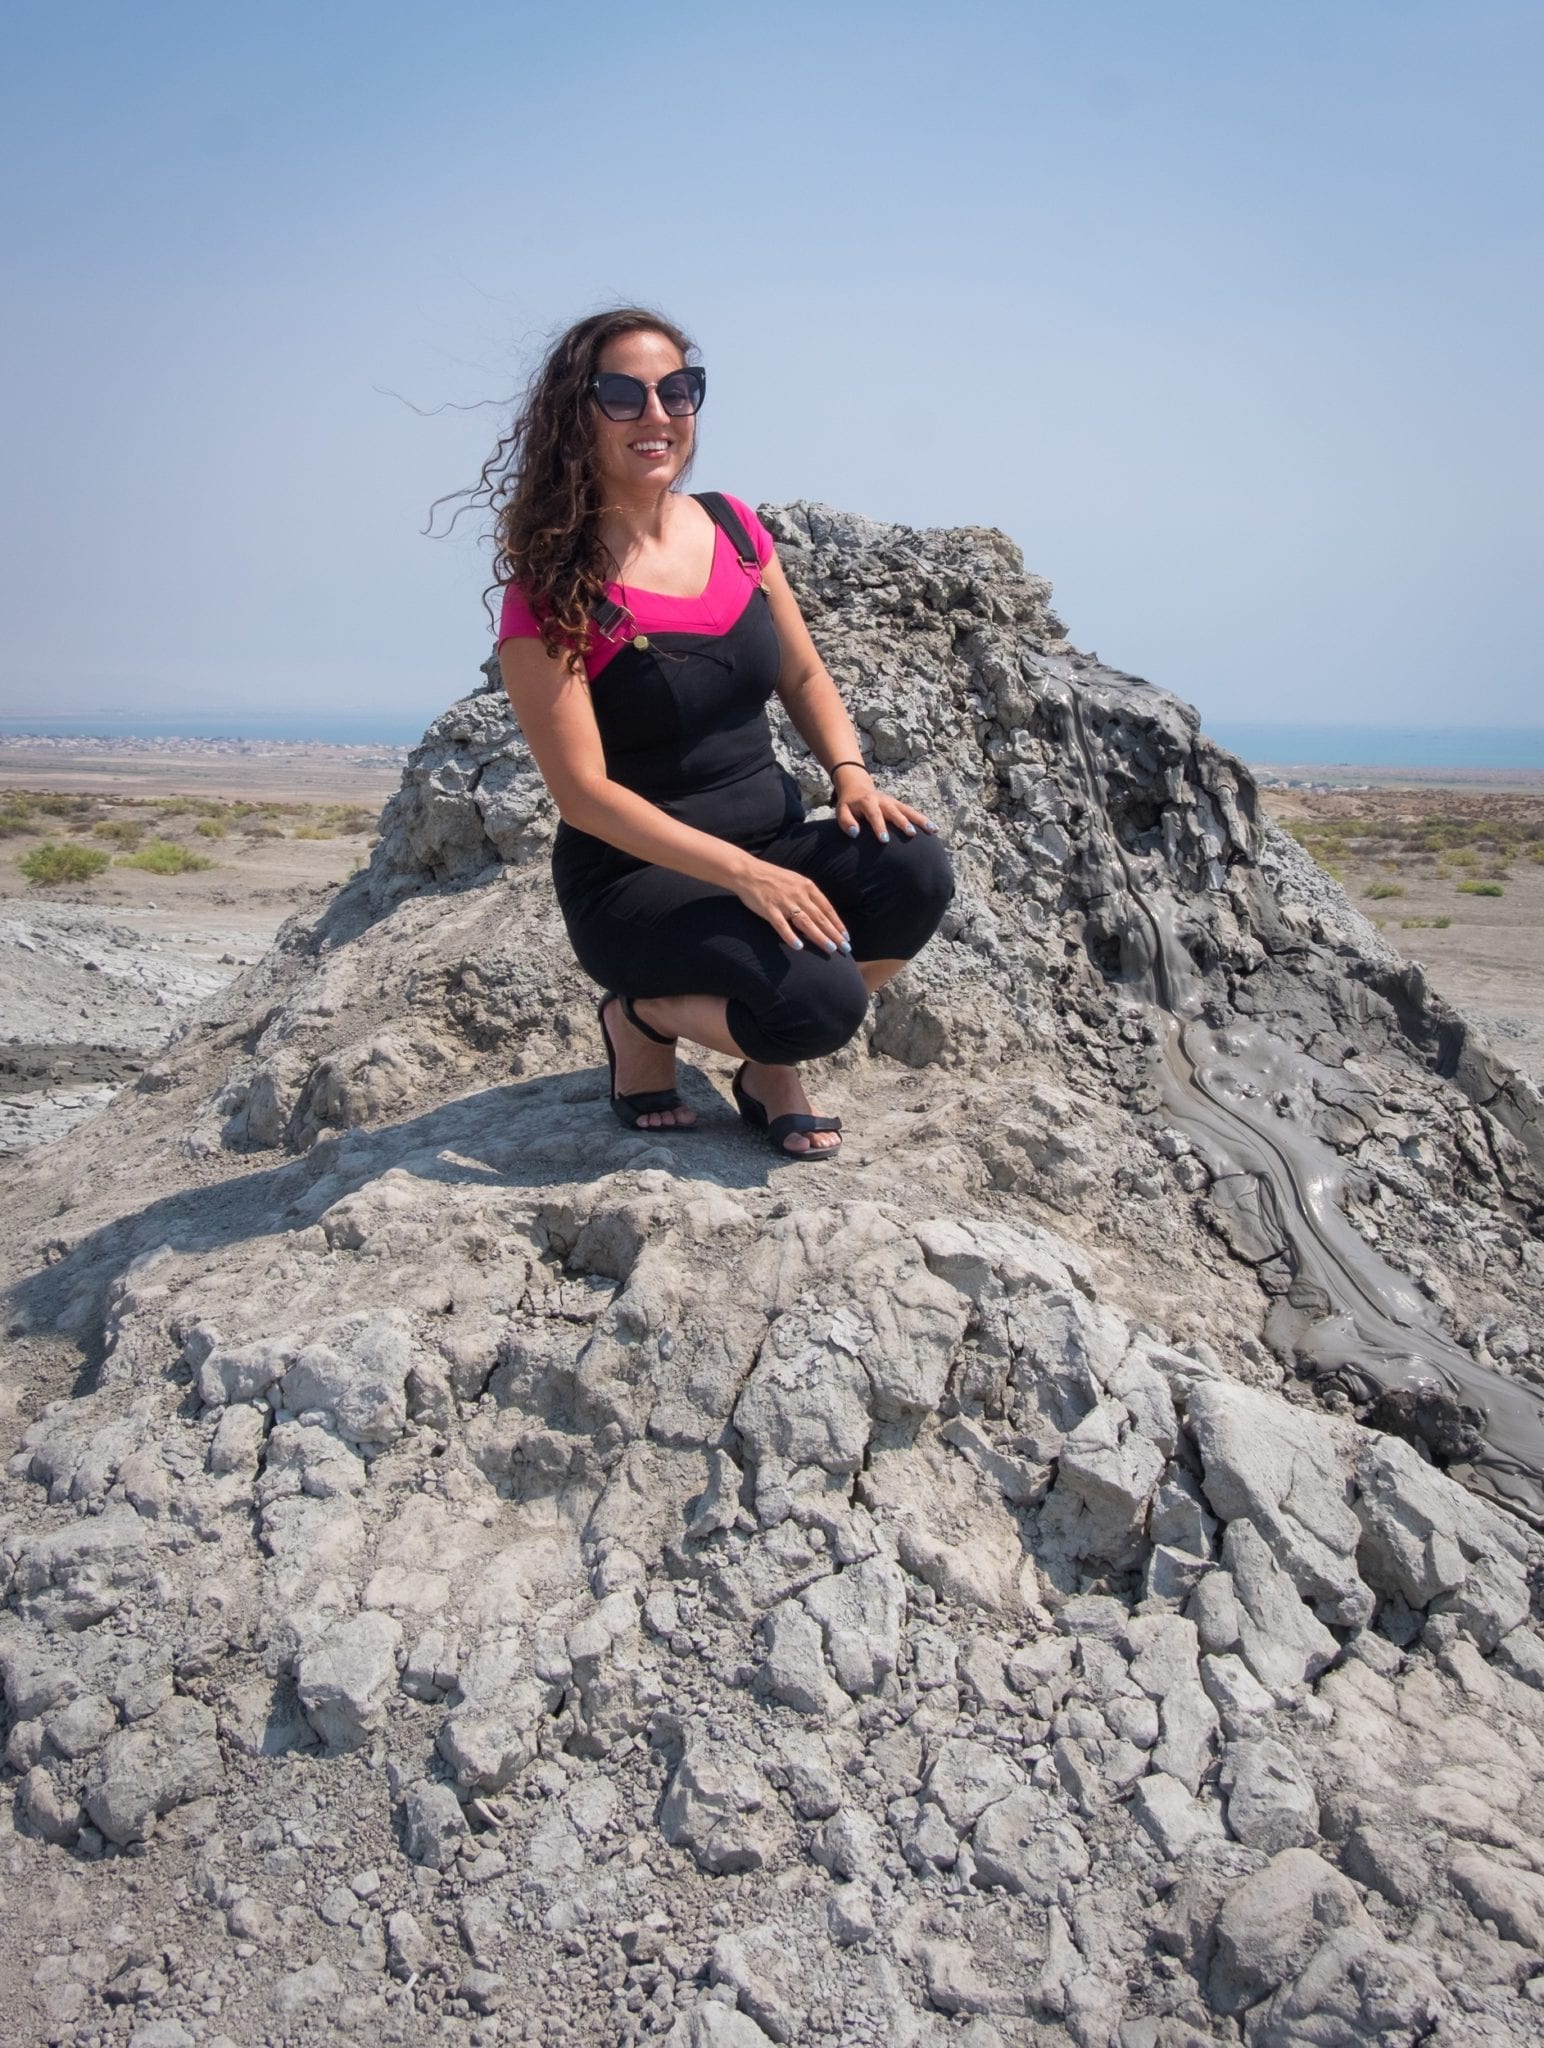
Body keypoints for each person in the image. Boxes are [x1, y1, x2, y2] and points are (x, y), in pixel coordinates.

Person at [488, 307, 953, 1160]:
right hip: (636, 878)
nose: (656, 415)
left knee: (914, 867)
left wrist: (849, 774)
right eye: (622, 395)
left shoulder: (735, 529)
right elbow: (583, 796)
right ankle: (642, 1016)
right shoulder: (554, 586)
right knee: (821, 1005)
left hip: (767, 841)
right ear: (575, 414)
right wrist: (745, 878)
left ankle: (766, 1062)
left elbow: (804, 674)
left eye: (678, 390)